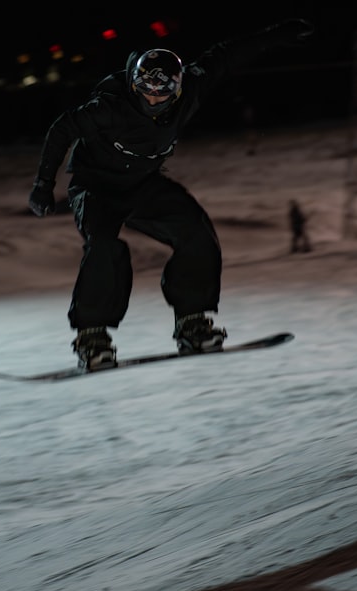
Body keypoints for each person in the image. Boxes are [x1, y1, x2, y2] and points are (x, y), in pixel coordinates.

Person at [28, 19, 315, 371]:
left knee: (196, 233)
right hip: (96, 186)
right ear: (134, 85)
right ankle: (92, 337)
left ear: (176, 90)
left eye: (161, 96)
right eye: (145, 94)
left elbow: (226, 55)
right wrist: (43, 184)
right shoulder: (109, 107)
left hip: (143, 184)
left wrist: (277, 35)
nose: (152, 101)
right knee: (105, 247)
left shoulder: (192, 86)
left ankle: (192, 323)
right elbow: (61, 130)